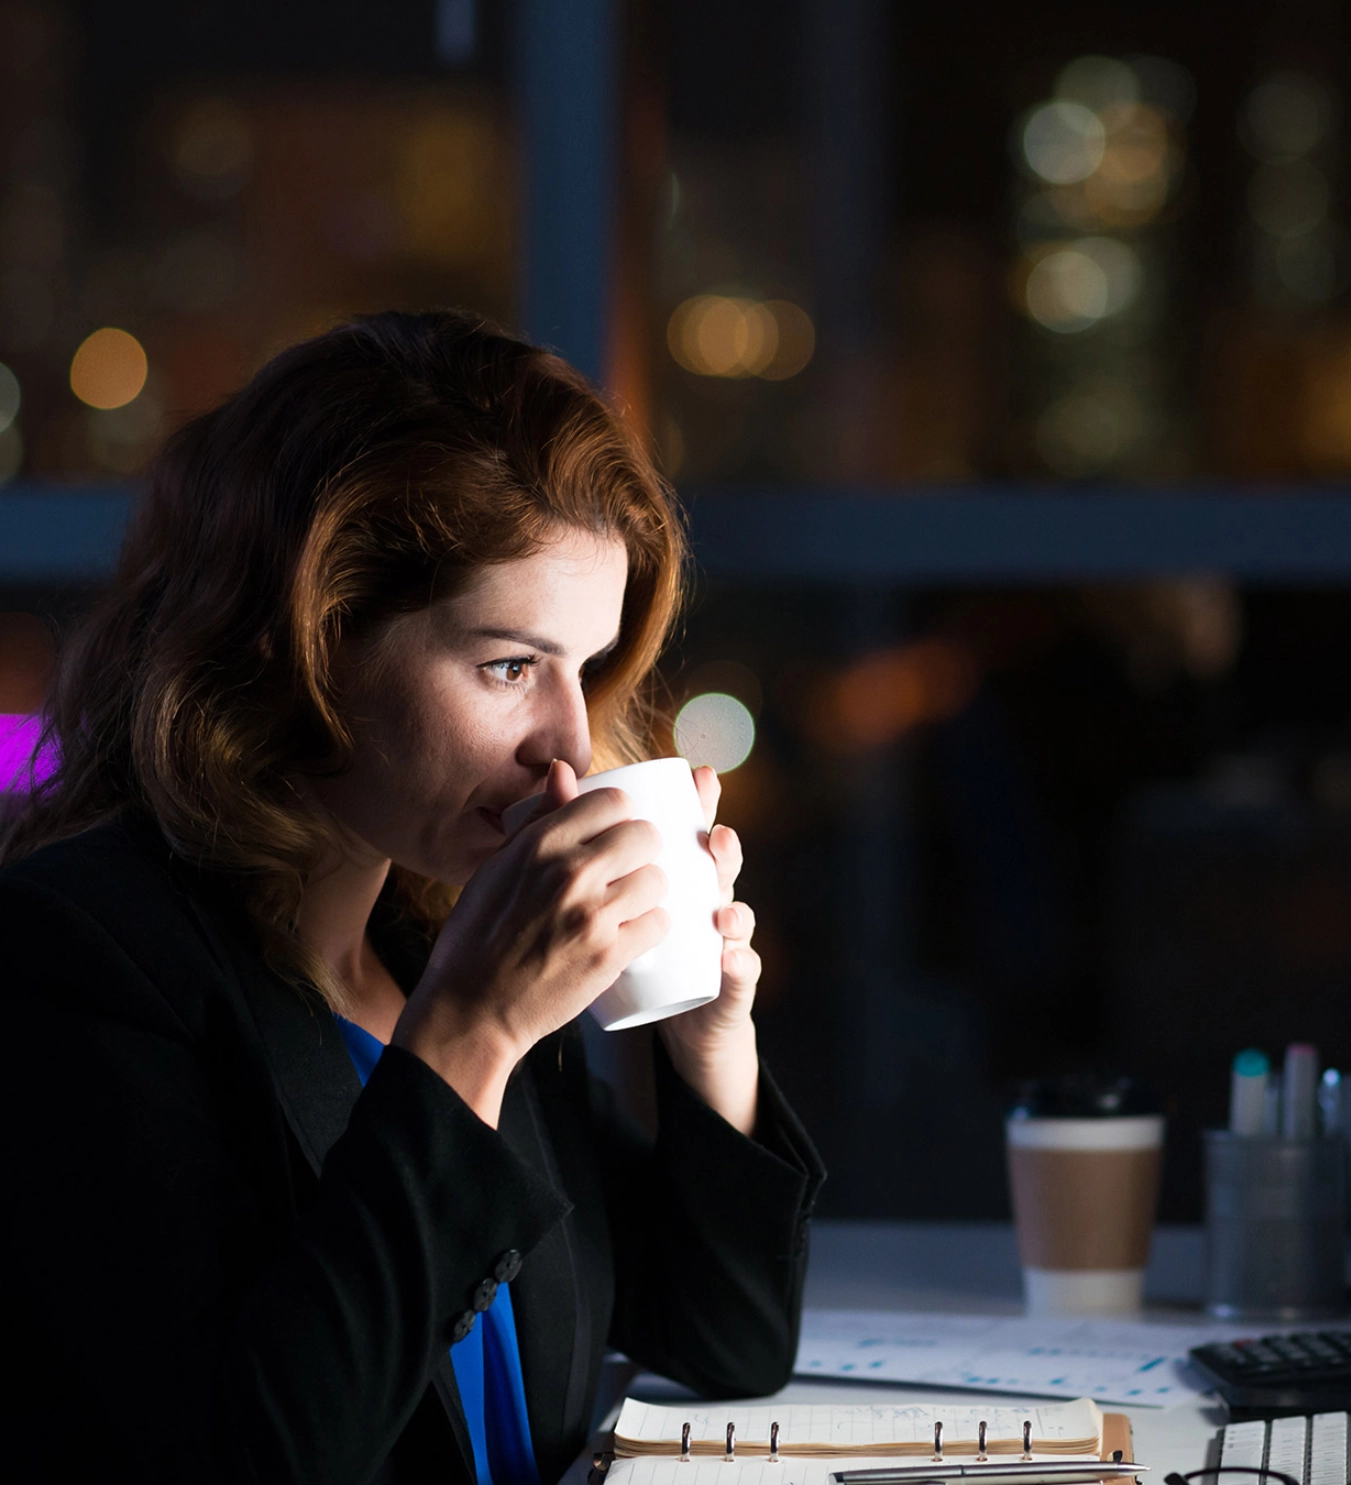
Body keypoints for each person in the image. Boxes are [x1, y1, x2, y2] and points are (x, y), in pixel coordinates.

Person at [0, 311, 825, 1484]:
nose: (569, 745)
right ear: (312, 643)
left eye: (584, 668)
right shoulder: (77, 961)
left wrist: (706, 1044)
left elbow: (727, 1341)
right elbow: (255, 1455)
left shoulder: (434, 941)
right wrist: (472, 1032)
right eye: (506, 665)